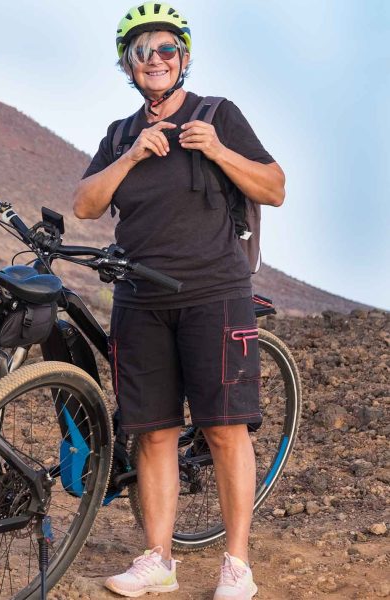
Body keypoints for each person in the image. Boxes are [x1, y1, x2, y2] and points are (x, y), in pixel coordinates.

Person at [72, 3, 285, 599]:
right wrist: (133, 155)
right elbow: (85, 204)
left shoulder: (217, 115)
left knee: (224, 431)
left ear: (183, 58)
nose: (155, 60)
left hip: (214, 294)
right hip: (139, 300)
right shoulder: (121, 134)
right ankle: (158, 560)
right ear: (128, 66)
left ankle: (236, 566)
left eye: (166, 49)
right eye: (141, 52)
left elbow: (274, 187)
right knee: (154, 433)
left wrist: (217, 150)